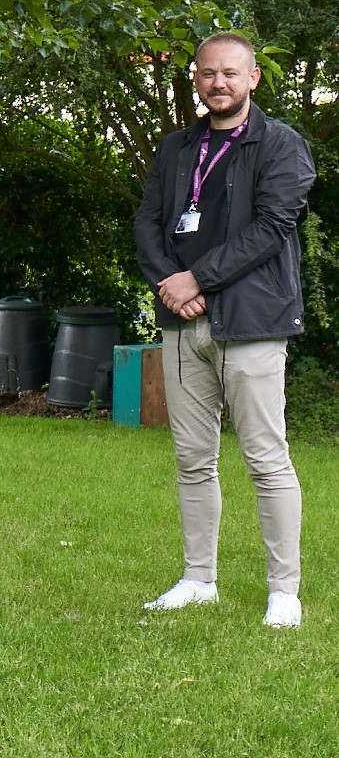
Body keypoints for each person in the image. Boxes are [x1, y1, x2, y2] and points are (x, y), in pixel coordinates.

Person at [134, 32, 315, 628]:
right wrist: (171, 283)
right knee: (192, 458)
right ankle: (197, 579)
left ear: (254, 78)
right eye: (209, 74)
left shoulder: (282, 146)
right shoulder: (176, 148)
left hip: (253, 323)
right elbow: (149, 223)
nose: (220, 84)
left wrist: (198, 280)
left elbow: (271, 229)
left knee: (266, 458)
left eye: (231, 74)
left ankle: (283, 592)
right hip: (183, 324)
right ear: (196, 79)